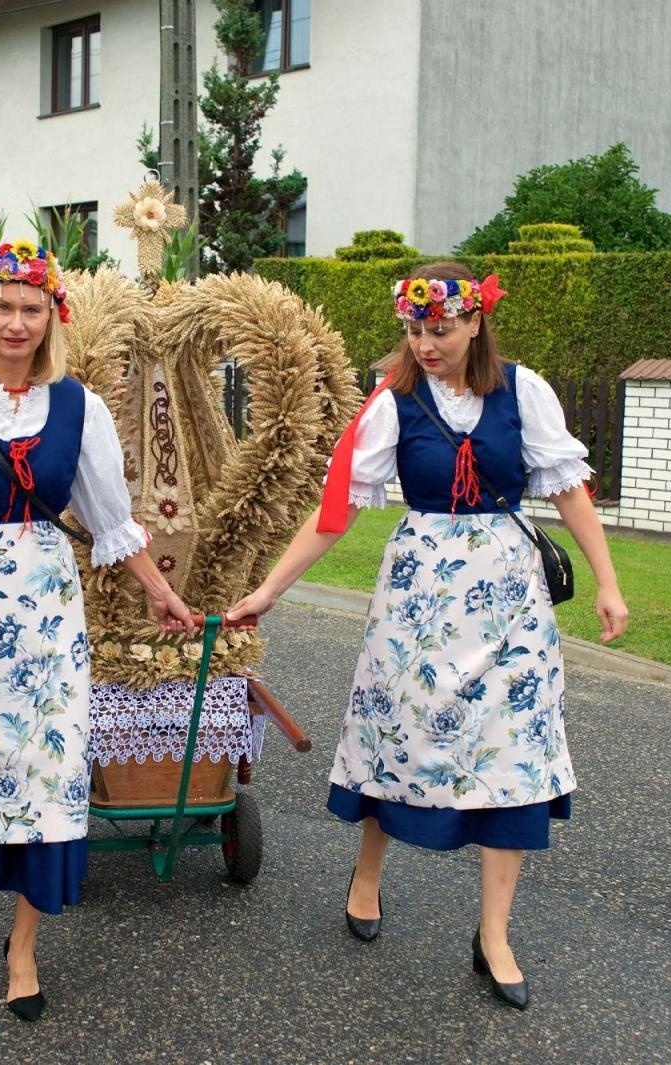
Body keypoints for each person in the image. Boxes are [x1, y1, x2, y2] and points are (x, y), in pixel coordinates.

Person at [226, 263, 628, 1011]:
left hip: (509, 598)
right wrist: (270, 589)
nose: (425, 343)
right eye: (414, 330)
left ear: (476, 321)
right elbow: (336, 506)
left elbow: (569, 488)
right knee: (399, 734)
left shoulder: (523, 390)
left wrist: (607, 581)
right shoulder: (394, 402)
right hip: (420, 598)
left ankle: (494, 935)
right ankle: (369, 872)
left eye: (439, 329)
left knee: (514, 754)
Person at [0, 240, 195, 1022]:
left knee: (47, 774)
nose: (17, 322)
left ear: (54, 316)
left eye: (32, 307)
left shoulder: (78, 407)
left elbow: (112, 522)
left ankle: (23, 948)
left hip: (50, 611)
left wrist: (161, 593)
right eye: (4, 306)